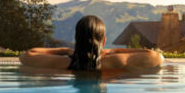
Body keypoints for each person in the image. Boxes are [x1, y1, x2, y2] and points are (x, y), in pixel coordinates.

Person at [19, 15, 163, 70]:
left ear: (77, 39)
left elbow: (27, 55)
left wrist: (64, 50)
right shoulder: (115, 61)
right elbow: (156, 56)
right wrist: (113, 51)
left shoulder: (62, 64)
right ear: (104, 40)